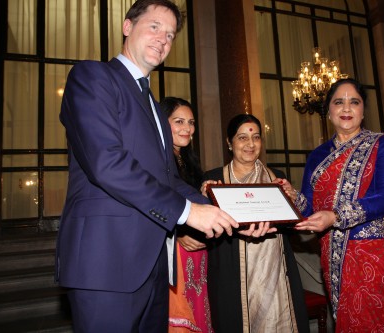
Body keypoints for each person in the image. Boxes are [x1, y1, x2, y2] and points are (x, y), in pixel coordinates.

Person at [56, 1, 239, 332]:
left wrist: (230, 212)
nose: (163, 39)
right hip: (106, 264)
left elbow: (169, 178)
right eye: (154, 27)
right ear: (128, 27)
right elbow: (106, 163)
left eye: (169, 34)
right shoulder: (92, 76)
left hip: (154, 267)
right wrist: (187, 213)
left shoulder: (155, 107)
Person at [280, 78, 384, 332]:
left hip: (378, 256)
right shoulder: (317, 155)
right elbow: (309, 209)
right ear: (328, 111)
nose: (346, 108)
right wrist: (291, 196)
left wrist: (336, 215)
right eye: (339, 102)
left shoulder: (383, 144)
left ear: (363, 110)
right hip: (335, 257)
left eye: (354, 102)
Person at [201, 114, 309, 333]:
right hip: (231, 274)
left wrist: (292, 197)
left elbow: (292, 224)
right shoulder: (214, 180)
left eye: (256, 137)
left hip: (275, 273)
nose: (250, 144)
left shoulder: (275, 177)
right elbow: (202, 229)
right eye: (242, 138)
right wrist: (203, 198)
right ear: (229, 143)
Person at [161, 97, 212, 332]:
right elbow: (157, 203)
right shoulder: (158, 159)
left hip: (198, 250)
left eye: (190, 122)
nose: (187, 128)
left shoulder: (188, 158)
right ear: (162, 122)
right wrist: (178, 233)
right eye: (178, 121)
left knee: (199, 303)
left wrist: (207, 191)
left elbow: (193, 199)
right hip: (174, 250)